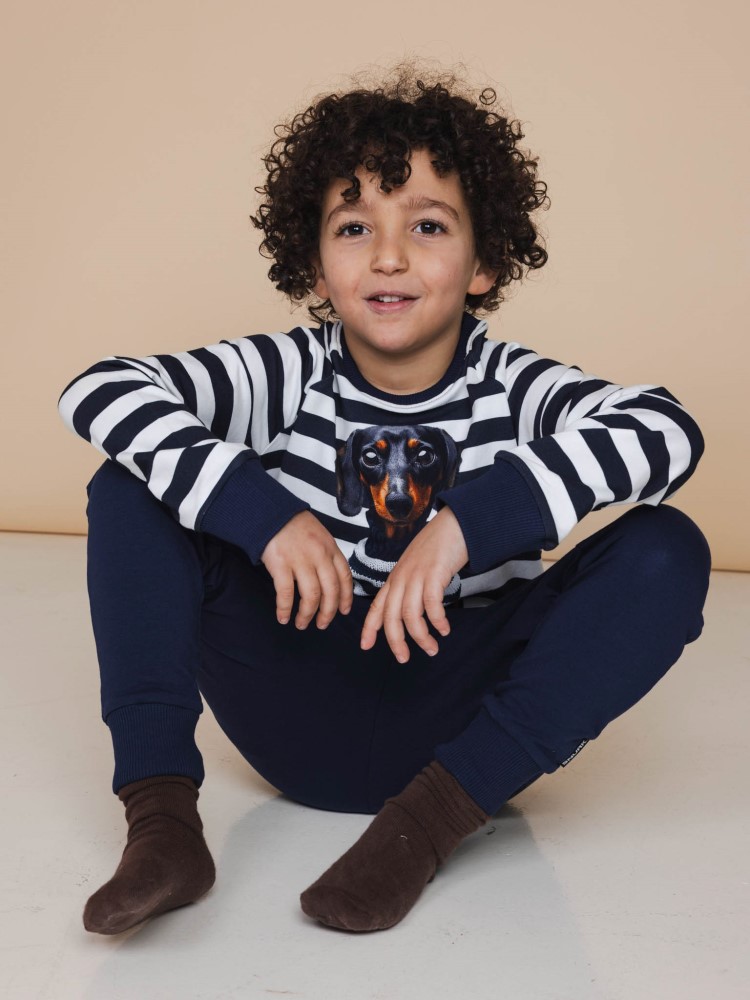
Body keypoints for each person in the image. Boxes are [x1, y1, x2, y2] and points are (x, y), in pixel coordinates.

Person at [57, 59, 711, 936]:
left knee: (668, 548)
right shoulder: (286, 372)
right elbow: (101, 391)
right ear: (316, 267)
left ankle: (421, 832)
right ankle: (162, 826)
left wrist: (466, 526)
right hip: (290, 690)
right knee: (128, 484)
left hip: (459, 723)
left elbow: (667, 431)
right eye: (355, 226)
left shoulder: (514, 388)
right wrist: (263, 515)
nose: (390, 255)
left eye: (428, 225)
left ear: (484, 263)